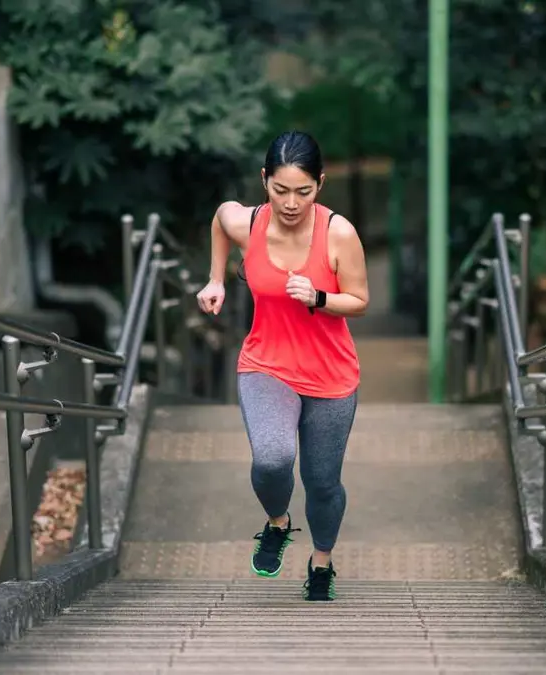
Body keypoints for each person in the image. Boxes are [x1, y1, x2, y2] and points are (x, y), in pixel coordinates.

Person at [196, 130, 369, 602]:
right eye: (280, 190)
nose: (291, 203)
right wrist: (216, 279)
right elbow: (218, 217)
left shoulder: (339, 233)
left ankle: (321, 562)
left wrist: (318, 297)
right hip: (265, 363)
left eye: (304, 191)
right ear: (264, 181)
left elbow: (359, 300)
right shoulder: (248, 224)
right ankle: (277, 521)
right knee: (272, 459)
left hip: (331, 375)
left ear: (321, 185)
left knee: (322, 481)